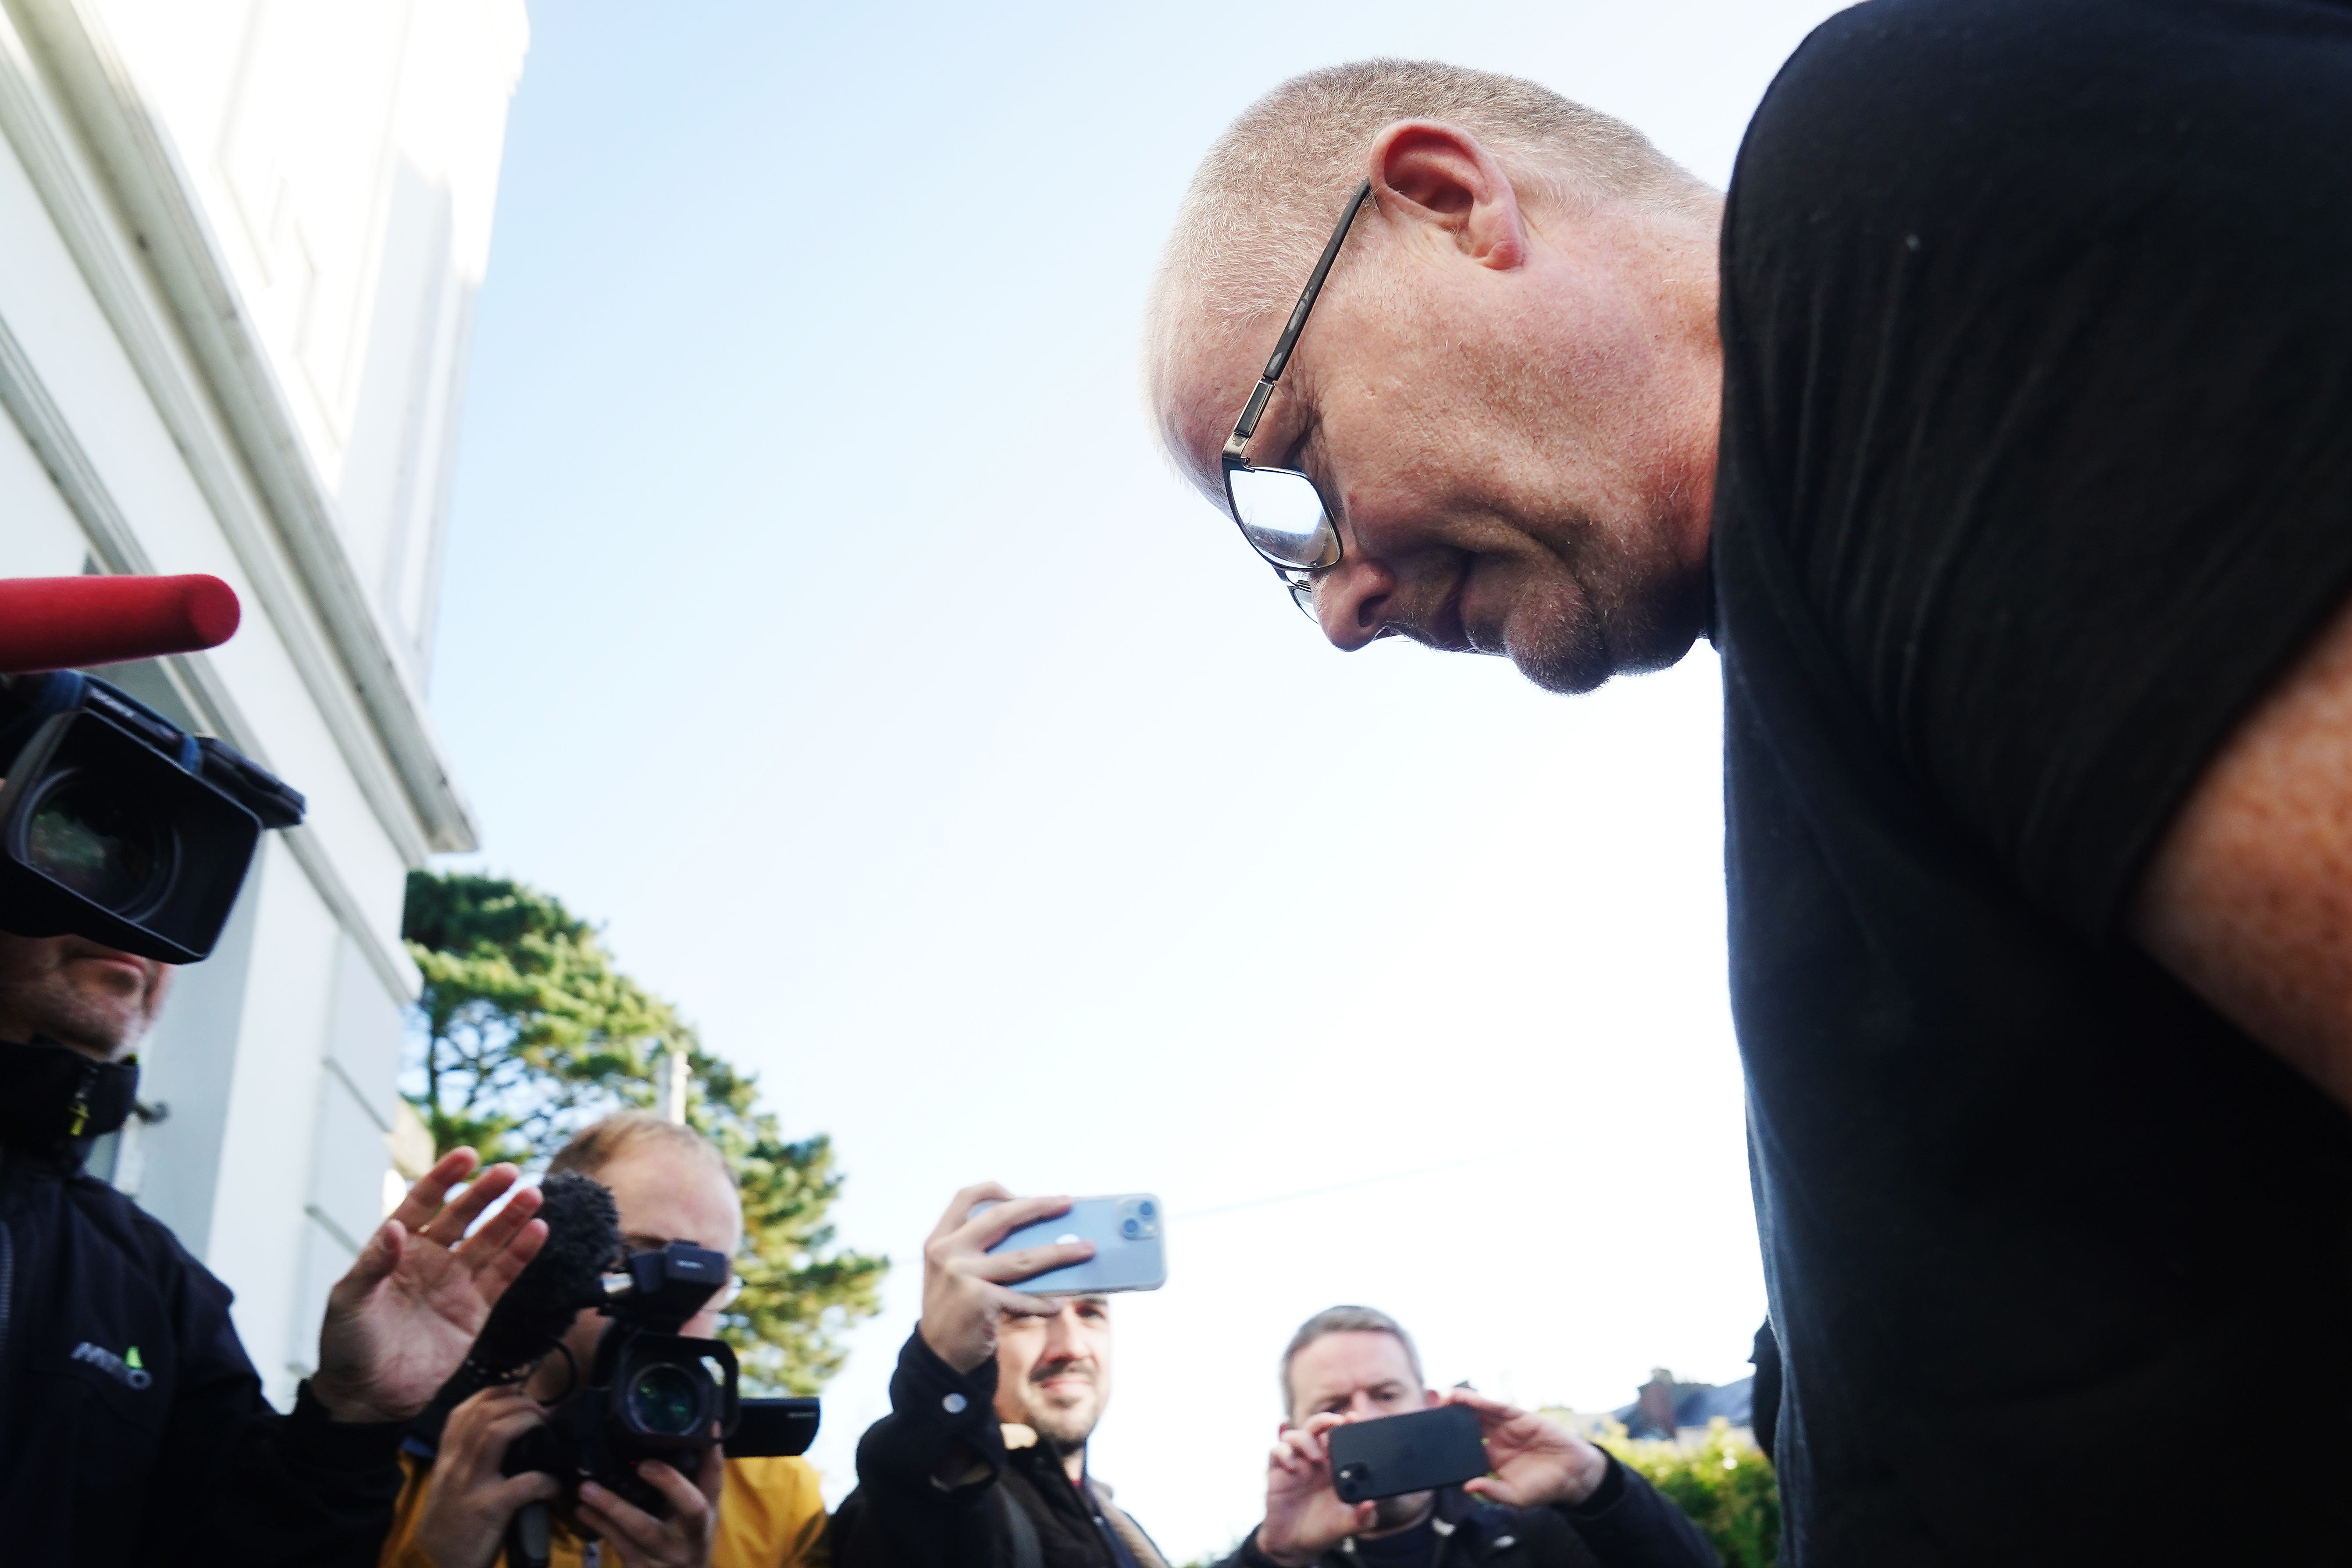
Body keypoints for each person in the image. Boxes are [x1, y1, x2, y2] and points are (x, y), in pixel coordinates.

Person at [1142, 12, 2352, 1563]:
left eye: (1287, 472)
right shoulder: (1824, 692)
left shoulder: (1896, 162)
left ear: (1448, 201)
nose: (1336, 603)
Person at [0, 929, 548, 1565]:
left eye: (178, 896)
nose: (140, 930)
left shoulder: (163, 1284)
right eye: (84, 859)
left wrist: (351, 1421)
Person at [378, 1111, 828, 1568]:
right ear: (550, 1259)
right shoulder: (393, 1465)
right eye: (636, 1258)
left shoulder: (779, 1498)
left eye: (711, 1278)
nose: (681, 1301)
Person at [1217, 1306, 1718, 1568]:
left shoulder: (1528, 1532)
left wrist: (1594, 1482)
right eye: (1333, 1407)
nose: (1364, 1417)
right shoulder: (1283, 1557)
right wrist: (1271, 1560)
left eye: (1386, 1393)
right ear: (1292, 1435)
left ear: (1429, 1404)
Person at [828, 1183, 1168, 1567]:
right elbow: (918, 1523)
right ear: (979, 1338)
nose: (1071, 1347)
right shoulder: (938, 1494)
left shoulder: (1121, 1527)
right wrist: (943, 1371)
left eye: (1091, 1313)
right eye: (1026, 1314)